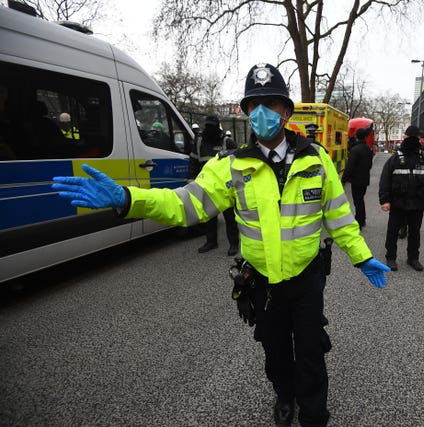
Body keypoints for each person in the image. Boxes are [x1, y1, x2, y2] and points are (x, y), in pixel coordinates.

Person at [51, 62, 390, 427]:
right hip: (263, 284)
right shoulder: (229, 166)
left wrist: (363, 256)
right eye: (254, 105)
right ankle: (284, 395)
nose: (263, 112)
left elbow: (339, 218)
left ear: (287, 111)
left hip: (307, 280)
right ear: (245, 112)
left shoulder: (316, 159)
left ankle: (313, 415)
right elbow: (185, 204)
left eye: (272, 103)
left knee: (311, 353)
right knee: (275, 353)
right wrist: (128, 199)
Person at [379, 125, 424, 272]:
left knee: (415, 232)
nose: (411, 140)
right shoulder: (395, 158)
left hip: (417, 203)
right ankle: (391, 257)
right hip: (397, 202)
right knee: (393, 231)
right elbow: (385, 179)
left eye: (415, 138)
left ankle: (413, 258)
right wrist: (384, 200)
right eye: (409, 137)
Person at [189, 114, 240, 256]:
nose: (209, 129)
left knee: (230, 217)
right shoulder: (199, 142)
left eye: (212, 126)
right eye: (208, 126)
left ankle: (234, 243)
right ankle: (211, 242)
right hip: (206, 185)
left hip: (225, 187)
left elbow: (237, 163)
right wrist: (191, 181)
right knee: (209, 216)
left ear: (218, 127)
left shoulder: (227, 142)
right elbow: (193, 161)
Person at [341, 126, 374, 228]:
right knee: (360, 199)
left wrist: (344, 179)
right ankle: (361, 219)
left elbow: (349, 166)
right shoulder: (368, 149)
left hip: (356, 180)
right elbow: (370, 165)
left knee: (357, 201)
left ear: (356, 137)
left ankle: (359, 220)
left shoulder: (355, 150)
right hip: (364, 179)